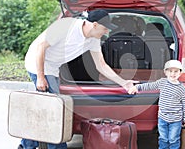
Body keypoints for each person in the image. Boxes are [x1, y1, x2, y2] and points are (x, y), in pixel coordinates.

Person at [19, 9, 135, 149]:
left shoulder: (93, 39)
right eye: (105, 28)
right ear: (95, 24)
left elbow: (101, 65)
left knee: (44, 110)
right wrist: (40, 77)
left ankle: (25, 146)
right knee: (55, 113)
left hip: (53, 67)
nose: (106, 32)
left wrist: (124, 83)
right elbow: (40, 47)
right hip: (38, 63)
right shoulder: (65, 27)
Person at [128, 60, 185, 149]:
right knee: (163, 139)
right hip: (162, 118)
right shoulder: (162, 82)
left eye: (176, 71)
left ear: (180, 73)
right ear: (165, 72)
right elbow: (150, 86)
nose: (173, 74)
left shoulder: (182, 89)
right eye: (170, 71)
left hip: (175, 120)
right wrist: (137, 87)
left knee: (173, 139)